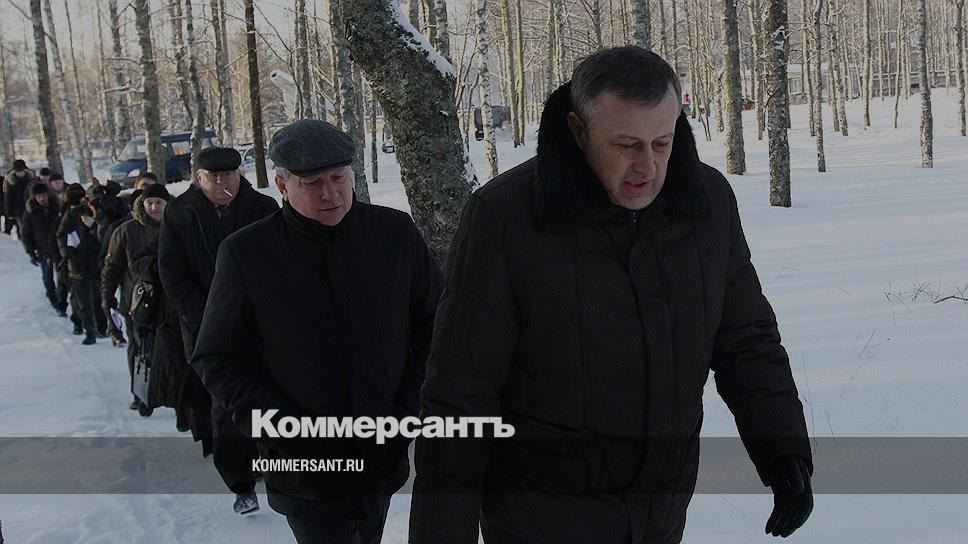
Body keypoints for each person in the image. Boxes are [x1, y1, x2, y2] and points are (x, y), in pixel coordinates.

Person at [409, 47, 813, 544]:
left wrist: (782, 449)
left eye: (662, 143)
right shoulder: (505, 219)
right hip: (541, 518)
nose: (647, 166)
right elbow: (460, 396)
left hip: (660, 512)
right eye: (625, 144)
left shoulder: (706, 204)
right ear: (578, 131)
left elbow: (746, 339)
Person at [190, 119, 443, 543]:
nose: (330, 193)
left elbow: (434, 326)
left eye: (338, 178)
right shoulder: (247, 254)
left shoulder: (394, 235)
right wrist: (283, 429)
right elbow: (218, 357)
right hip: (304, 467)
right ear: (282, 185)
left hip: (382, 452)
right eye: (312, 183)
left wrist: (404, 410)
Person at [158, 146, 278, 514]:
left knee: (270, 396)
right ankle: (241, 483)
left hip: (260, 321)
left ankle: (275, 467)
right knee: (226, 402)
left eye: (230, 174)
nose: (224, 182)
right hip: (206, 323)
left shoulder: (263, 208)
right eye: (215, 176)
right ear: (199, 178)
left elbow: (280, 262)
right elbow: (172, 272)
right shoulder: (180, 212)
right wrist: (207, 315)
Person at [103, 184, 184, 418]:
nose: (154, 207)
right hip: (137, 302)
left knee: (170, 353)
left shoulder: (177, 227)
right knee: (140, 350)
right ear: (142, 205)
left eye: (159, 203)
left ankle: (174, 398)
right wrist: (107, 296)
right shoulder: (127, 231)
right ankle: (141, 394)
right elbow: (112, 267)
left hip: (170, 303)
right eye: (150, 203)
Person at [56, 191, 105, 345]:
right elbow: (61, 234)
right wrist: (68, 254)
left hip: (97, 262)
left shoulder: (101, 214)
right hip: (77, 264)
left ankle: (102, 328)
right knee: (82, 301)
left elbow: (105, 237)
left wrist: (93, 227)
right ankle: (90, 332)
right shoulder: (71, 215)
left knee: (99, 299)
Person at [21, 183, 62, 309]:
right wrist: (31, 252)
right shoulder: (30, 212)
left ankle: (61, 300)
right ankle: (53, 298)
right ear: (34, 197)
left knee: (62, 277)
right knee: (47, 277)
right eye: (39, 197)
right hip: (42, 250)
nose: (42, 199)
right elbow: (26, 234)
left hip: (59, 248)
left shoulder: (56, 208)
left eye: (44, 196)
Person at [3, 160, 35, 238]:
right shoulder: (11, 181)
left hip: (31, 208)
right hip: (18, 209)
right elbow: (8, 198)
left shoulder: (30, 179)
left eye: (21, 171)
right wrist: (9, 212)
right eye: (18, 171)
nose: (20, 173)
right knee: (22, 228)